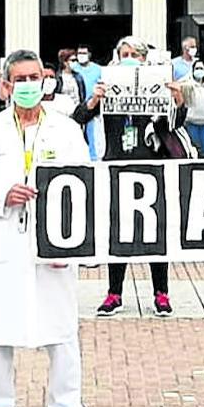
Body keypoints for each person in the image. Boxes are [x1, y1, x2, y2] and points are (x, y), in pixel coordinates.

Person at [0, 50, 89, 407]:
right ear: (5, 85)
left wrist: (73, 240)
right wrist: (3, 195)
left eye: (35, 77)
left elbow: (83, 184)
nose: (29, 85)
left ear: (45, 80)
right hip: (5, 242)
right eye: (21, 79)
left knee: (62, 331)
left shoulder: (65, 129)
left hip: (54, 246)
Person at [73, 36, 186, 317]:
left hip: (151, 166)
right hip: (117, 165)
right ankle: (114, 293)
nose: (129, 57)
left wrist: (177, 100)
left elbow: (176, 122)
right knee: (118, 232)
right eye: (124, 53)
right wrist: (95, 99)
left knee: (155, 231)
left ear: (145, 60)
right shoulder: (109, 89)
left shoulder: (156, 87)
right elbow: (80, 117)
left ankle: (161, 292)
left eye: (135, 54)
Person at [71, 44, 104, 160]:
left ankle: (93, 157)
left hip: (93, 106)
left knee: (92, 134)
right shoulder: (73, 68)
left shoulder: (98, 69)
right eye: (79, 53)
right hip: (77, 107)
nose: (81, 56)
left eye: (84, 53)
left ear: (89, 55)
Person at [181, 59, 204, 158]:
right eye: (197, 68)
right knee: (194, 149)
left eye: (201, 68)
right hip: (192, 122)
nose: (199, 70)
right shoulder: (187, 85)